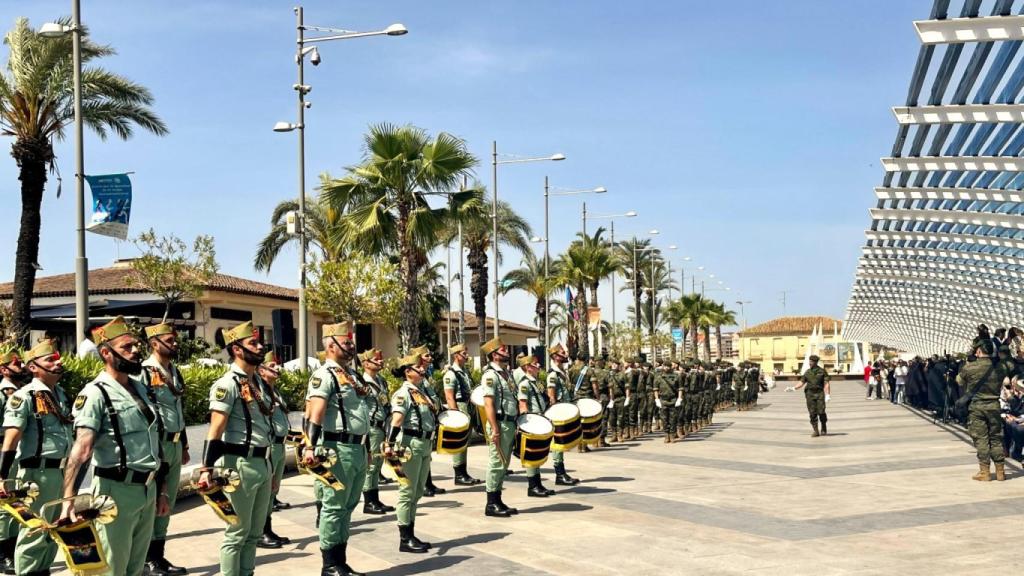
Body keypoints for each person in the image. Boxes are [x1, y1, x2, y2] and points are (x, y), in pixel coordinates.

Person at [64, 316, 165, 576]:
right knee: (112, 568)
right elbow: (82, 450)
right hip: (115, 491)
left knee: (135, 567)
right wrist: (68, 500)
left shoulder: (141, 388)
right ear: (106, 353)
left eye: (136, 345)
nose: (136, 351)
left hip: (147, 489)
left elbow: (154, 439)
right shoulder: (95, 393)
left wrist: (161, 490)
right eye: (127, 347)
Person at [198, 320, 274, 576]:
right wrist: (206, 469)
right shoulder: (227, 384)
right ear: (237, 349)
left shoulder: (259, 382)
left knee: (254, 533)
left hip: (262, 462)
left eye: (259, 342)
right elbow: (216, 429)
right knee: (237, 532)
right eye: (253, 343)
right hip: (239, 464)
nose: (260, 347)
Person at [303, 322, 369, 576]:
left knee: (349, 505)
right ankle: (329, 564)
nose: (352, 346)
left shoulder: (350, 375)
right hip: (337, 448)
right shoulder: (325, 375)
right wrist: (310, 447)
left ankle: (340, 560)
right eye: (347, 342)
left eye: (351, 342)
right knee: (333, 507)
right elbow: (315, 414)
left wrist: (366, 448)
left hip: (357, 448)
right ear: (331, 345)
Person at [1, 341, 71, 576]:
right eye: (50, 360)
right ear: (33, 368)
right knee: (34, 531)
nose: (57, 363)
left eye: (57, 359)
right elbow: (11, 438)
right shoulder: (24, 396)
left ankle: (42, 571)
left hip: (60, 472)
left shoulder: (60, 394)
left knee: (53, 530)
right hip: (37, 474)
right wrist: (2, 476)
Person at [140, 322, 190, 575]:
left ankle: (158, 556)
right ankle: (147, 558)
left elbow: (178, 410)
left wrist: (184, 444)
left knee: (166, 503)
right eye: (169, 340)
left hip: (174, 443)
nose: (175, 343)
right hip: (157, 445)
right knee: (153, 502)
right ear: (154, 343)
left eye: (174, 339)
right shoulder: (144, 372)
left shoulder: (174, 371)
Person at [385, 353, 435, 553]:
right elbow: (397, 420)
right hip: (410, 445)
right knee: (407, 491)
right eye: (418, 367)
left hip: (424, 443)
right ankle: (405, 538)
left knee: (418, 491)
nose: (422, 369)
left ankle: (411, 533)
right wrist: (389, 443)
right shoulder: (403, 393)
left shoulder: (420, 392)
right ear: (408, 372)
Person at [956, 337, 1008, 481]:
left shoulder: (970, 367)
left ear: (978, 351)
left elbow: (959, 381)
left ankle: (985, 472)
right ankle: (1000, 471)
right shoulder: (1000, 367)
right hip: (994, 406)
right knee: (996, 438)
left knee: (981, 439)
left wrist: (967, 366)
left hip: (977, 408)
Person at [479, 337, 518, 517]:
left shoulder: (506, 373)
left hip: (509, 423)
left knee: (503, 464)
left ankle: (498, 499)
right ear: (494, 355)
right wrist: (495, 428)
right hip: (499, 424)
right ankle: (491, 503)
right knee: (496, 463)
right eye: (503, 350)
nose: (507, 352)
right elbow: (488, 404)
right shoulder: (490, 376)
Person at [258, 352, 292, 549]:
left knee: (273, 491)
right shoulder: (259, 391)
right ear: (262, 371)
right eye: (272, 366)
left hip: (280, 445)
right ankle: (261, 532)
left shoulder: (274, 391)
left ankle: (267, 529)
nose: (277, 368)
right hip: (270, 445)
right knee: (266, 491)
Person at [0, 346, 28, 574]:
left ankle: (10, 549)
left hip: (16, 453)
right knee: (3, 503)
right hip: (4, 450)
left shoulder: (20, 391)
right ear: (4, 369)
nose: (22, 367)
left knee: (13, 501)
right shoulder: (4, 393)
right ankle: (2, 553)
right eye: (16, 364)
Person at [359, 348, 396, 516]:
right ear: (366, 363)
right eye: (377, 359)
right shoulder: (363, 383)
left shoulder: (380, 380)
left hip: (382, 426)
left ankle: (375, 499)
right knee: (371, 465)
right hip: (372, 428)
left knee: (378, 463)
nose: (381, 362)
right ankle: (369, 501)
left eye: (381, 359)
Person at [441, 343, 482, 486]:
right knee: (460, 442)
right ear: (456, 355)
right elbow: (449, 396)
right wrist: (456, 415)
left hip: (468, 406)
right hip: (459, 406)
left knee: (465, 442)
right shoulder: (451, 374)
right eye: (464, 353)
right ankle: (459, 474)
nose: (467, 356)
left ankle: (463, 473)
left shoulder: (464, 372)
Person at [515, 354, 553, 498]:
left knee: (537, 455)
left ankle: (538, 484)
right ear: (528, 367)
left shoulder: (536, 382)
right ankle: (533, 486)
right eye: (535, 364)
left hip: (540, 419)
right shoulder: (524, 384)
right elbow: (523, 405)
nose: (539, 366)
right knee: (531, 455)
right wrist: (527, 426)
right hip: (532, 421)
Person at [409, 345, 445, 497]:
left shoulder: (427, 374)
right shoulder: (416, 378)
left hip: (430, 415)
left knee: (427, 454)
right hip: (422, 419)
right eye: (426, 356)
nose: (430, 358)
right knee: (422, 456)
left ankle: (428, 483)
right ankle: (424, 484)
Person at [546, 344, 579, 485]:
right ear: (555, 356)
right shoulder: (553, 374)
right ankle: (559, 474)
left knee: (561, 443)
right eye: (562, 352)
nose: (566, 354)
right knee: (557, 444)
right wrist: (556, 412)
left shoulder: (562, 372)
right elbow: (551, 395)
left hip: (564, 409)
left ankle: (561, 473)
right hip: (558, 412)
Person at [792, 354, 830, 437]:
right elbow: (802, 382)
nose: (810, 363)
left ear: (816, 362)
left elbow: (826, 383)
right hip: (810, 394)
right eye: (809, 361)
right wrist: (794, 388)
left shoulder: (822, 371)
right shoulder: (807, 372)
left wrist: (827, 395)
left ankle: (823, 426)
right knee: (812, 413)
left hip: (819, 394)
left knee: (821, 412)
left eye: (811, 361)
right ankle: (816, 431)